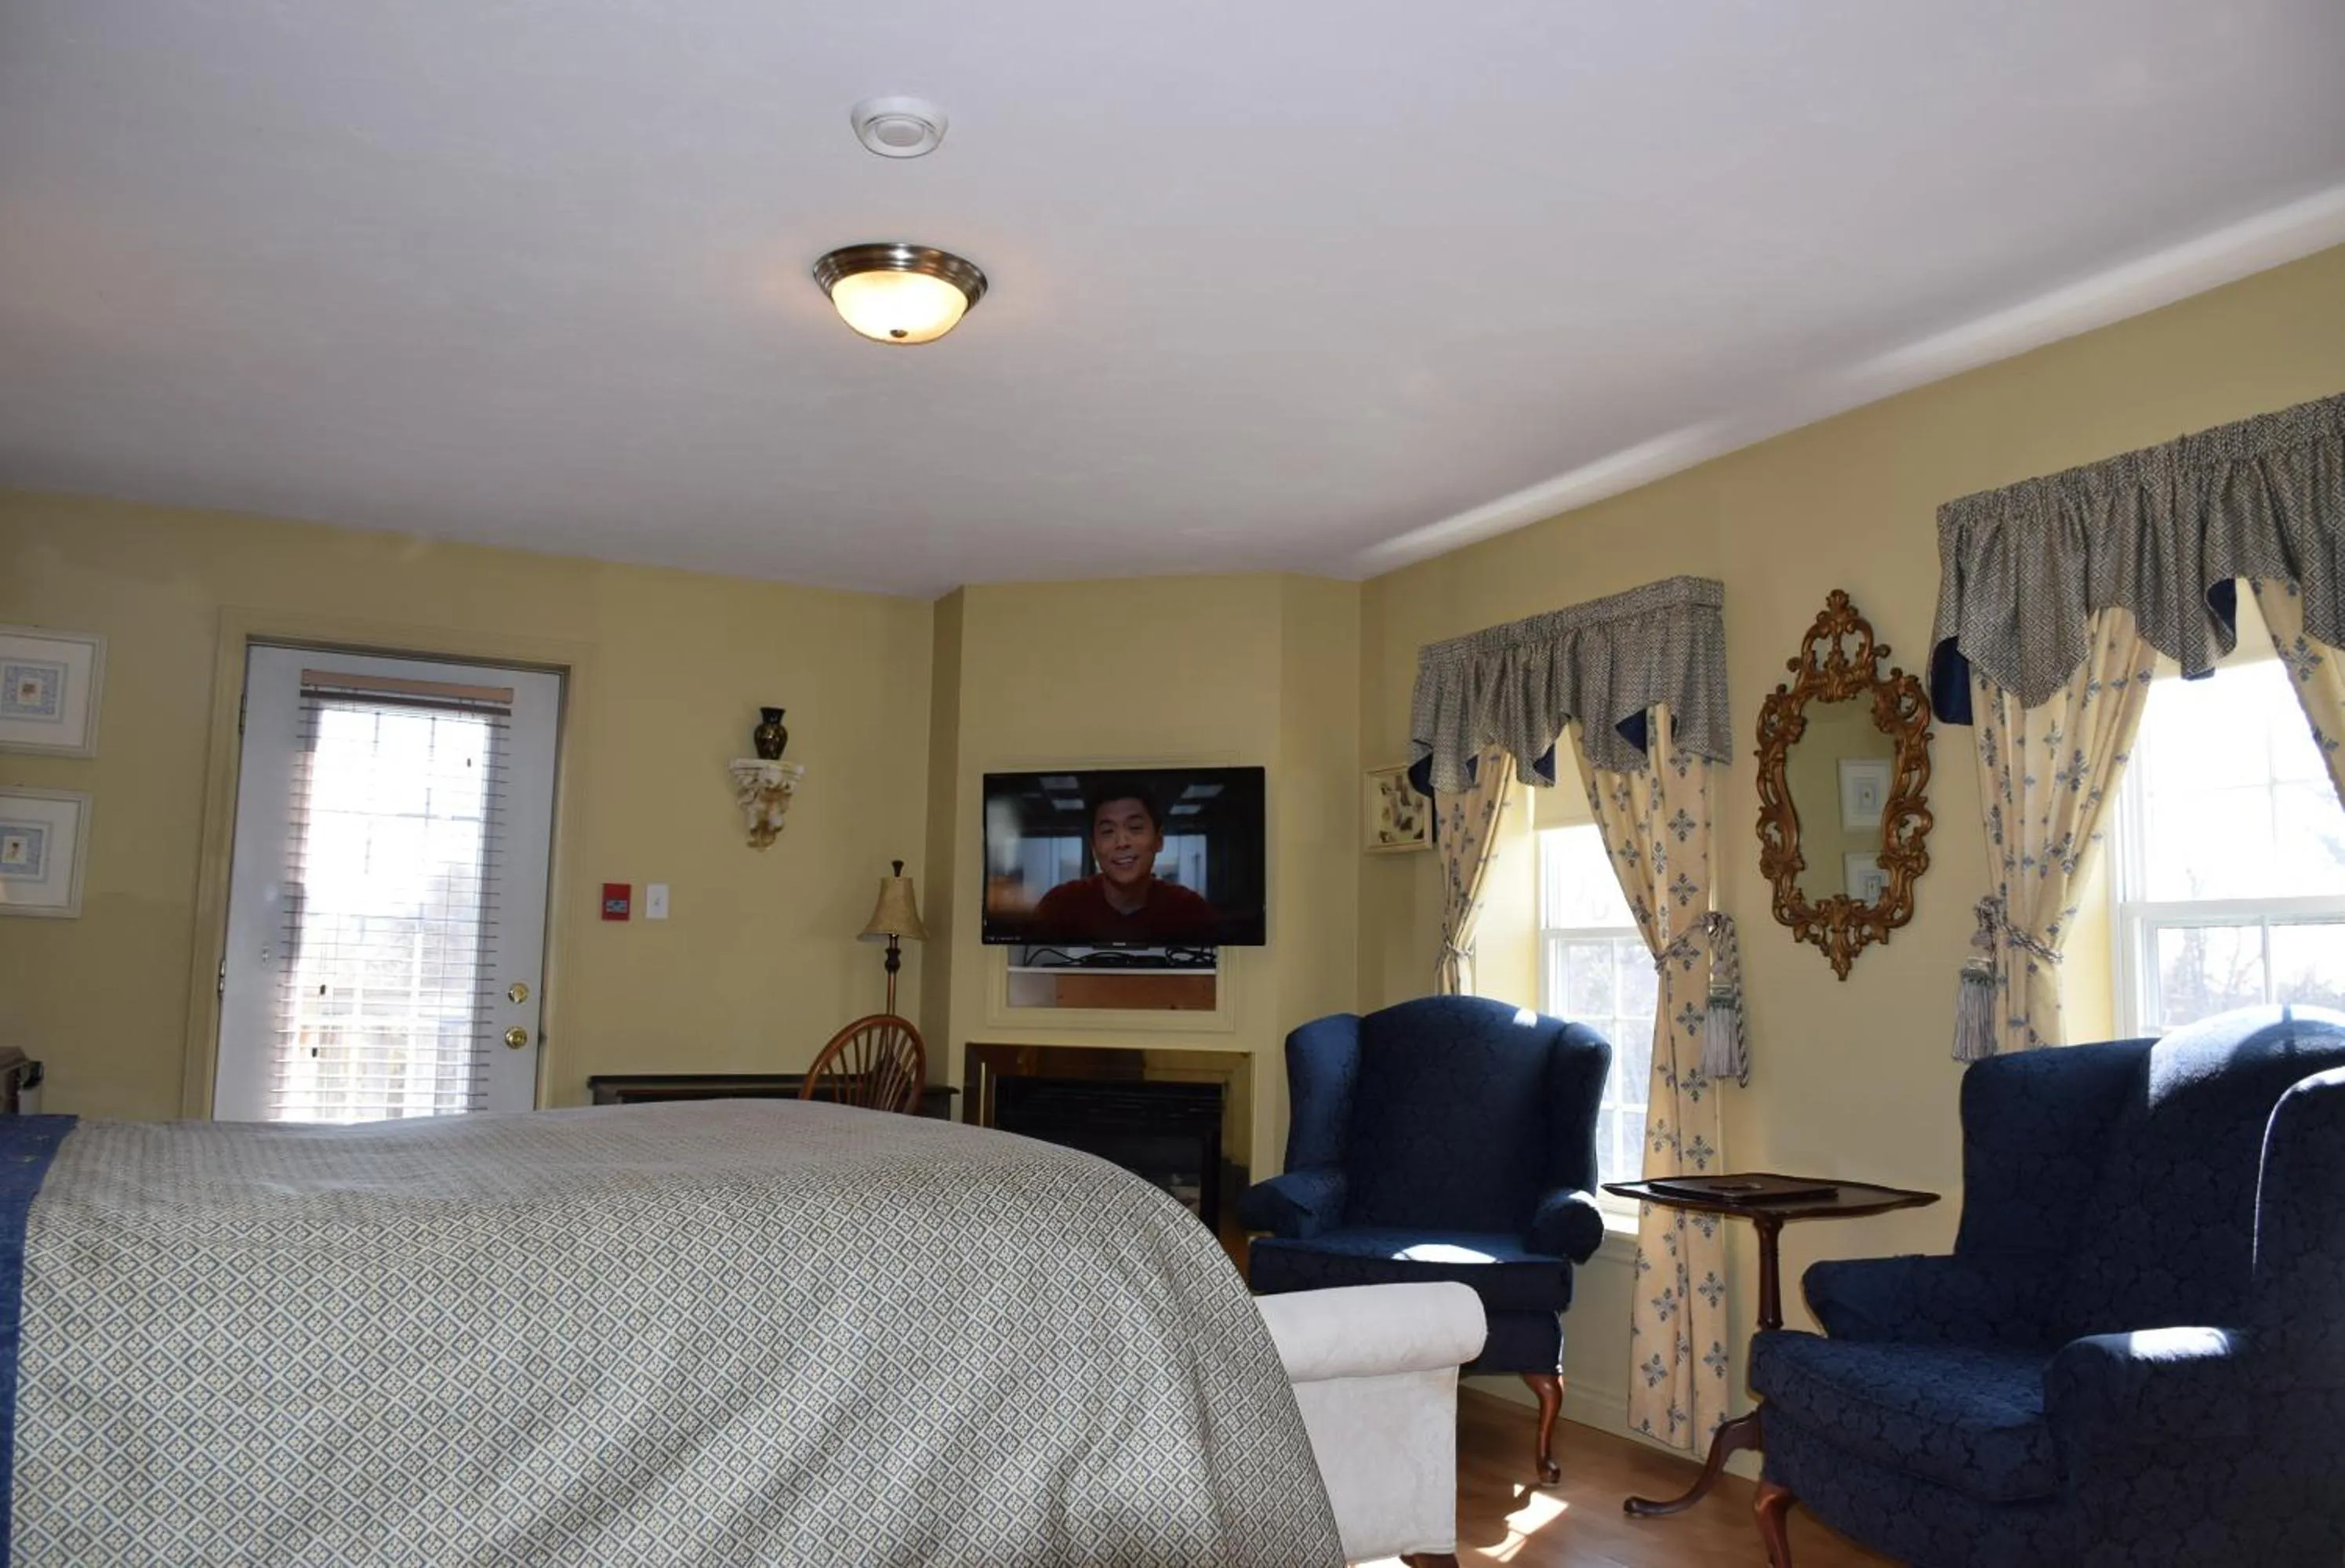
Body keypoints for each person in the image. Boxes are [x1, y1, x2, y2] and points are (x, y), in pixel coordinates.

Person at [1030, 781, 1220, 945]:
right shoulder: (1058, 907)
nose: (1122, 842)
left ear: (1159, 840)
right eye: (1107, 831)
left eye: (1135, 828)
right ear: (1093, 848)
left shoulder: (1191, 911)